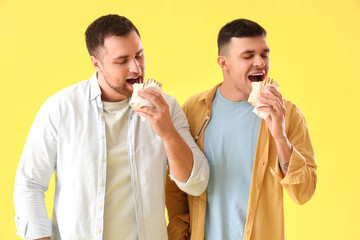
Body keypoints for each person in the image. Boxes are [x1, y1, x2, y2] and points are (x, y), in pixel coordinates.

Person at [14, 14, 209, 240]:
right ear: (96, 63)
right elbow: (29, 184)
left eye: (139, 55)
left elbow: (196, 184)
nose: (136, 68)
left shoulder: (166, 107)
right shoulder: (61, 108)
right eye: (122, 60)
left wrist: (168, 133)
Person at [166, 18, 317, 240]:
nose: (260, 63)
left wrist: (280, 136)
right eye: (248, 56)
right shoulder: (193, 110)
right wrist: (180, 232)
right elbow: (177, 184)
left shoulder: (288, 113)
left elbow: (304, 192)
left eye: (264, 55)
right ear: (223, 63)